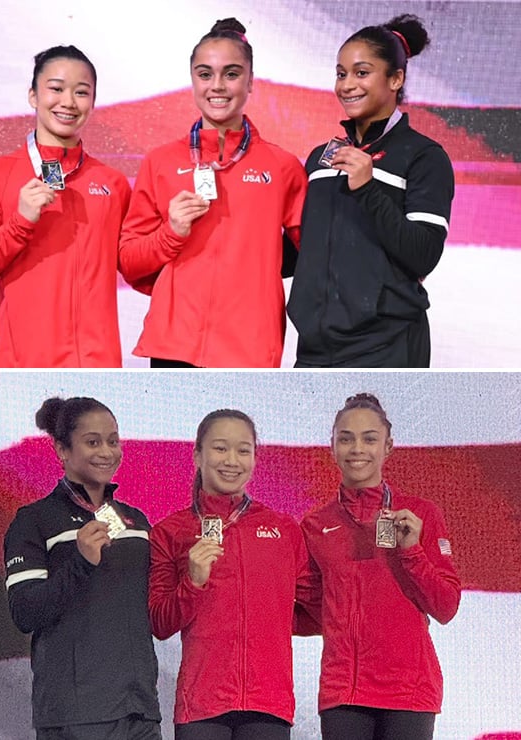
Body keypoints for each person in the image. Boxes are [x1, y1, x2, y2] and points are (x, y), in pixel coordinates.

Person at [118, 19, 307, 368]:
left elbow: (314, 255)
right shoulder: (160, 162)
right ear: (193, 79)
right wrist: (171, 232)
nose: (217, 86)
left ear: (251, 81)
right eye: (205, 74)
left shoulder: (283, 167)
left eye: (231, 74)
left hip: (249, 346)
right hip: (174, 346)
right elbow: (129, 261)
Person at [287, 15, 453, 367]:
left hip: (387, 346)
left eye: (361, 73)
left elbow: (424, 255)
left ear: (396, 79)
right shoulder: (320, 158)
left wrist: (368, 188)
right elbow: (302, 250)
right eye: (341, 74)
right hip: (315, 348)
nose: (347, 85)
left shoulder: (424, 156)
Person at [0, 46, 132, 368]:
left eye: (81, 92)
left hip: (98, 364)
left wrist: (174, 231)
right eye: (56, 89)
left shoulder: (113, 182)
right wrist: (20, 222)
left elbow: (135, 265)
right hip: (23, 365)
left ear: (93, 102)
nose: (68, 102)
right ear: (33, 96)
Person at [300, 393, 460, 739]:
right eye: (346, 438)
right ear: (332, 446)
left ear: (388, 446)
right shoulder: (314, 525)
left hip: (409, 692)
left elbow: (446, 607)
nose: (357, 449)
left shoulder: (421, 514)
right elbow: (314, 610)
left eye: (369, 439)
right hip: (343, 693)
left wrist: (411, 550)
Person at [148, 409, 314, 739]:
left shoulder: (284, 530)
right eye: (220, 448)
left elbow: (321, 611)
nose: (231, 460)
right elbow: (160, 623)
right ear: (198, 455)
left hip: (268, 704)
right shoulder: (170, 532)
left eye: (243, 450)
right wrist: (193, 583)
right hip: (202, 706)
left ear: (255, 458)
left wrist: (271, 620)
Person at [3, 396, 160, 739]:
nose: (106, 452)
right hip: (75, 714)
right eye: (92, 442)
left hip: (140, 711)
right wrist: (81, 562)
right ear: (62, 450)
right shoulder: (35, 520)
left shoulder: (135, 521)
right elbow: (25, 612)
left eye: (113, 441)